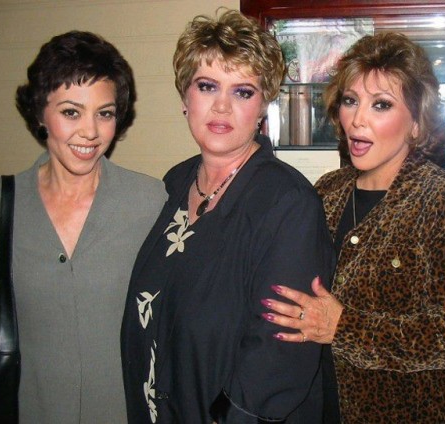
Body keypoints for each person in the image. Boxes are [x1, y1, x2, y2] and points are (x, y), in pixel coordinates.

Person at [262, 32, 445, 423]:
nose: (358, 119)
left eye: (381, 105)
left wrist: (345, 327)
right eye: (350, 101)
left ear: (417, 124)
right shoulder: (326, 192)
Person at [120, 9, 335, 424]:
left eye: (242, 92)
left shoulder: (288, 203)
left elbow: (278, 359)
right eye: (207, 86)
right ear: (185, 97)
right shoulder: (174, 182)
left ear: (263, 106)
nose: (221, 106)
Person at [0, 31, 167, 423]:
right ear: (39, 113)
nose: (90, 132)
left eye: (105, 113)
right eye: (70, 112)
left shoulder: (149, 201)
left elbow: (181, 315)